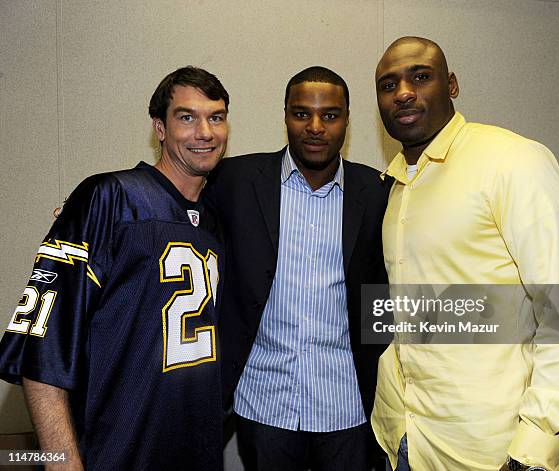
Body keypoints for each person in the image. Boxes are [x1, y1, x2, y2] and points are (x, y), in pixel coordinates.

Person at [371, 37, 559, 471]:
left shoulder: (512, 161)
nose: (403, 91)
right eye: (388, 84)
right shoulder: (398, 186)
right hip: (404, 436)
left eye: (420, 76)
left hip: (491, 449)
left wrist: (537, 447)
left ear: (451, 85)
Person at [0, 66, 228, 470]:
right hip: (113, 452)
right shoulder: (108, 198)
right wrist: (60, 460)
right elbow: (42, 345)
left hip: (193, 452)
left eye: (216, 117)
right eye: (187, 117)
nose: (204, 132)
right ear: (159, 127)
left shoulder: (213, 222)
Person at [204, 66, 391, 470]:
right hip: (264, 400)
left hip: (348, 405)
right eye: (302, 113)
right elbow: (176, 201)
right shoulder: (235, 180)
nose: (315, 127)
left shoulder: (377, 192)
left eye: (330, 115)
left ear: (347, 119)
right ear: (285, 115)